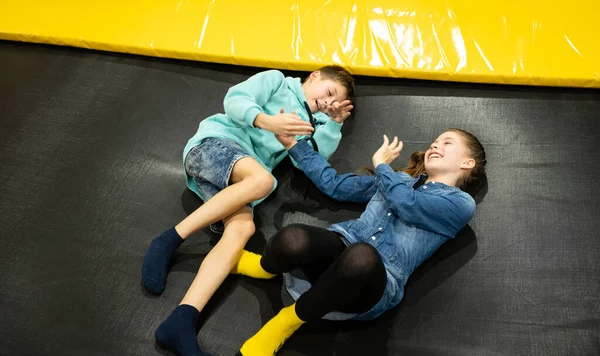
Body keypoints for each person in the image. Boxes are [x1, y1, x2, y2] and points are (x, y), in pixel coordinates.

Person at [142, 65, 355, 356]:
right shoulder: (278, 82)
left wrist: (333, 123)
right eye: (329, 92)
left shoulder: (313, 123)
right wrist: (268, 122)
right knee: (265, 180)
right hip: (215, 146)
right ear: (315, 75)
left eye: (334, 102)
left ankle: (181, 320)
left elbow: (307, 161)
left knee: (243, 228)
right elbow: (235, 100)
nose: (328, 102)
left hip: (239, 182)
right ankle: (169, 239)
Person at [231, 129, 487, 356]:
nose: (434, 145)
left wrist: (382, 166)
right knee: (292, 237)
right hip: (340, 248)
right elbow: (333, 185)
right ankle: (265, 268)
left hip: (373, 282)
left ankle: (287, 321)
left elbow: (407, 205)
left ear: (467, 162)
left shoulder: (461, 204)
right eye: (434, 141)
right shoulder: (398, 180)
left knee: (361, 256)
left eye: (447, 142)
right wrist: (292, 145)